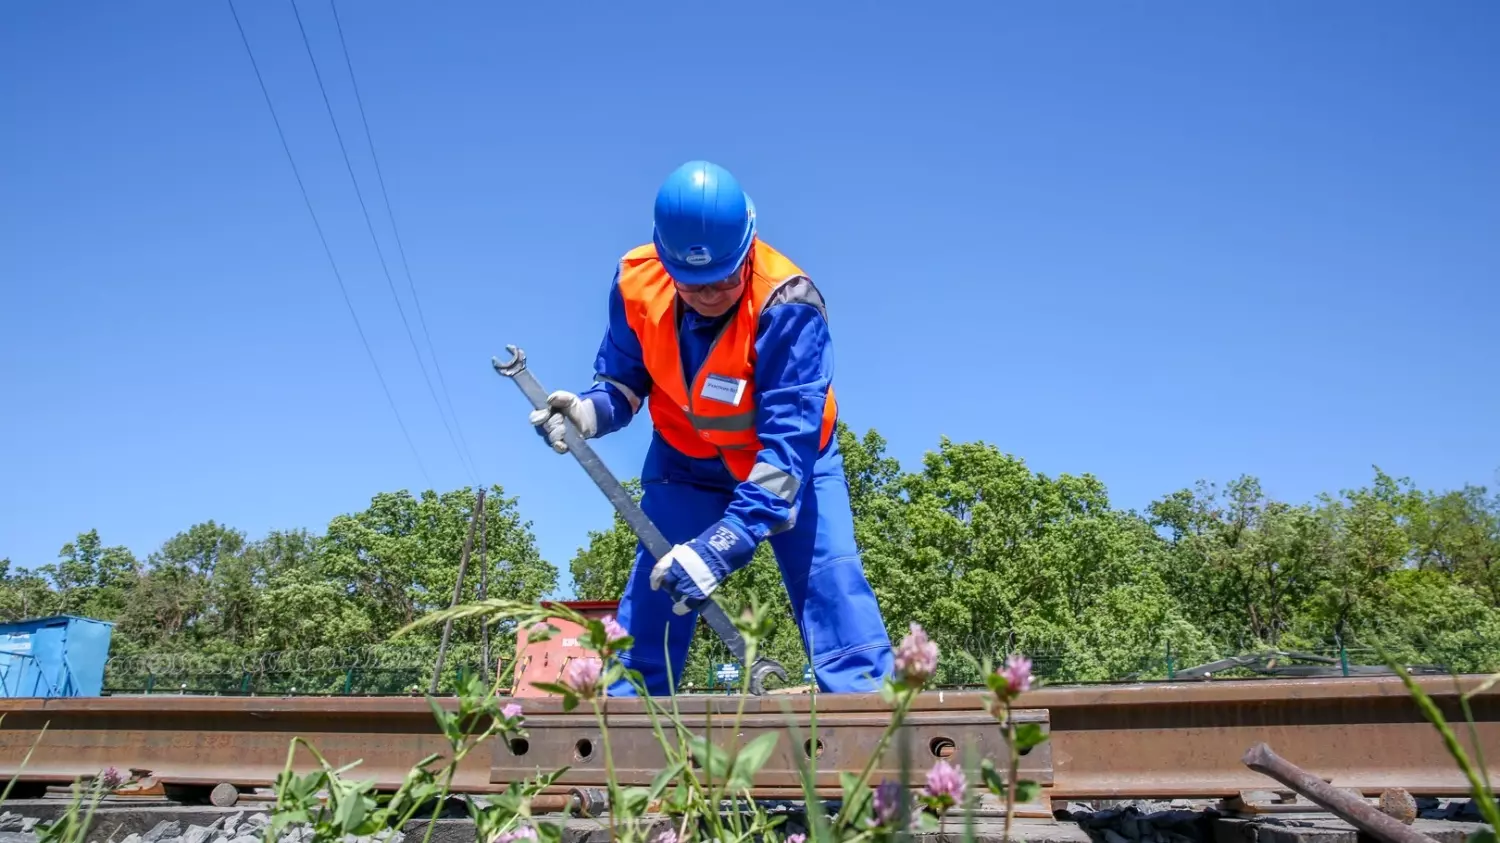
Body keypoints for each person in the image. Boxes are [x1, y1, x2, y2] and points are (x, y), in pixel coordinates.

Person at [529, 160, 894, 696]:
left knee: (830, 585)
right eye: (694, 284)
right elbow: (624, 384)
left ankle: (870, 724)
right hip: (686, 463)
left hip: (790, 464)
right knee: (652, 600)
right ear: (667, 261)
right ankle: (631, 737)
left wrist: (720, 547)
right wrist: (588, 412)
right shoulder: (636, 281)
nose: (711, 294)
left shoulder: (787, 304)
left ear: (747, 245)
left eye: (725, 278)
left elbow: (785, 458)